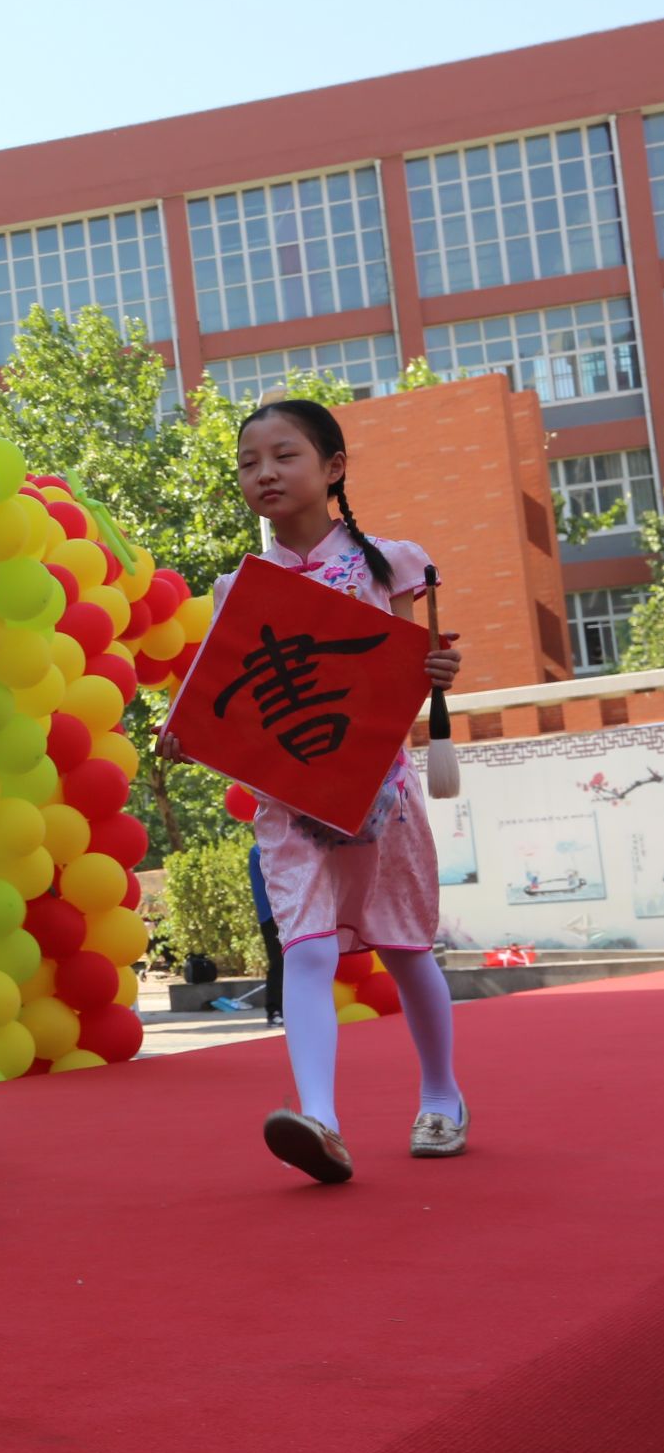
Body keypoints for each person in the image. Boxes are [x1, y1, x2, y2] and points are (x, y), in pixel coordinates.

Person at [159, 400, 465, 1183]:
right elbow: (221, 692)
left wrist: (431, 674)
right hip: (286, 800)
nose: (262, 472)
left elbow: (403, 670)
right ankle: (319, 1121)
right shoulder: (239, 586)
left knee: (402, 944)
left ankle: (441, 1095)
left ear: (332, 469)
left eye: (282, 455)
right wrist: (185, 729)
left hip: (377, 791)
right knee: (304, 945)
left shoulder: (385, 563)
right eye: (246, 461)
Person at [251, 843, 283, 1025]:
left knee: (292, 962)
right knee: (279, 962)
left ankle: (287, 1009)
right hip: (271, 915)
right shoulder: (258, 850)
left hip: (287, 912)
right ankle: (274, 1010)